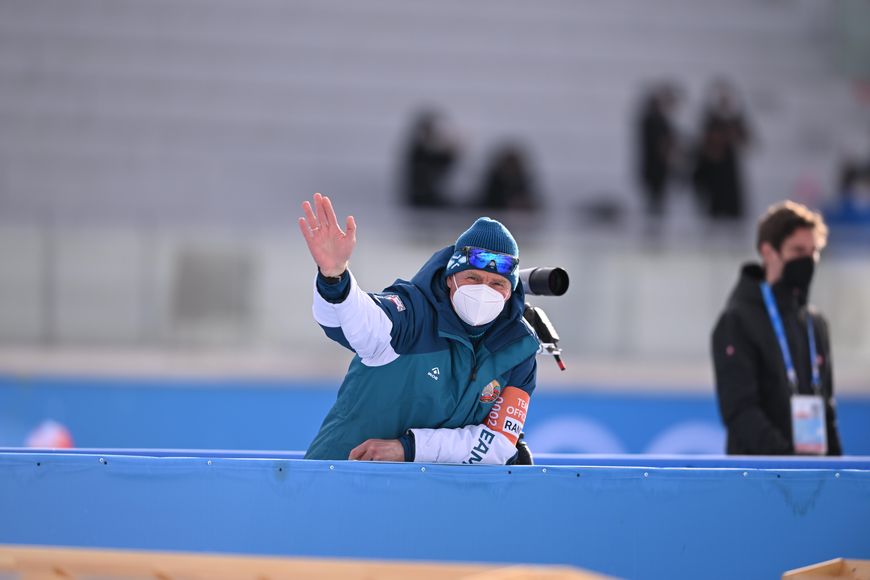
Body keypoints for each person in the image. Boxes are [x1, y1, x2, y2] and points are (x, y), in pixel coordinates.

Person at [298, 192, 539, 463]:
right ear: (450, 279)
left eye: (497, 284)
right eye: (472, 278)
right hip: (342, 476)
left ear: (510, 291)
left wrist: (408, 449)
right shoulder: (411, 314)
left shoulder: (518, 348)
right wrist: (335, 276)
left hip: (430, 488)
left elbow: (498, 444)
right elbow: (360, 319)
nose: (484, 291)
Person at [712, 200, 842, 455]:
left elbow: (827, 411)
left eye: (814, 252)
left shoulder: (815, 324)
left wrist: (835, 469)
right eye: (798, 251)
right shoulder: (737, 320)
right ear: (768, 252)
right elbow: (740, 411)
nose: (808, 261)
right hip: (759, 474)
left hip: (813, 474)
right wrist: (788, 463)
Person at [692, 79, 752, 221]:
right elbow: (705, 144)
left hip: (730, 166)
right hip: (714, 169)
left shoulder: (735, 119)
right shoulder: (710, 119)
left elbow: (746, 141)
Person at [636, 82, 679, 219]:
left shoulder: (659, 119)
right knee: (655, 201)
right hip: (653, 167)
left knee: (658, 201)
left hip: (659, 167)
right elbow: (659, 143)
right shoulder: (651, 120)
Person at [401, 110, 461, 208]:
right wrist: (452, 153)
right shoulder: (420, 153)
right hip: (422, 200)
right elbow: (439, 162)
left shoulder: (420, 151)